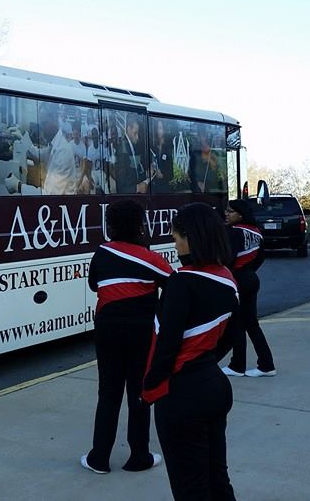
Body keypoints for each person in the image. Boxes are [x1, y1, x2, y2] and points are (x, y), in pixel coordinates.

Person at [143, 202, 240, 500]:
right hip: (214, 384)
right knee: (217, 478)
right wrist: (204, 360)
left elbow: (166, 344)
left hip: (182, 393)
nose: (174, 245)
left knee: (190, 488)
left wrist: (149, 388)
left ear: (190, 237)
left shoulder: (181, 282)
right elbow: (231, 335)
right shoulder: (227, 277)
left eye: (176, 238)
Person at [81, 200, 171, 475]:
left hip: (107, 330)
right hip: (142, 333)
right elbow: (174, 286)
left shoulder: (102, 252)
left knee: (108, 393)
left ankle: (99, 458)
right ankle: (139, 456)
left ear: (110, 225)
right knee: (139, 393)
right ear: (140, 225)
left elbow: (94, 284)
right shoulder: (151, 258)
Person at [223, 199, 275, 378]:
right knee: (251, 323)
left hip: (238, 280)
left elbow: (228, 259)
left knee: (238, 324)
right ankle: (266, 364)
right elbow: (260, 258)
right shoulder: (257, 232)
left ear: (241, 215)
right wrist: (249, 271)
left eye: (230, 211)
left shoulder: (234, 232)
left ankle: (238, 365)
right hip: (251, 278)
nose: (226, 214)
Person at [114, 113, 149, 194]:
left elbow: (132, 173)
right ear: (129, 129)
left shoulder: (131, 146)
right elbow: (121, 186)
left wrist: (146, 174)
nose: (137, 137)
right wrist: (137, 188)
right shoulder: (122, 150)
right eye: (135, 133)